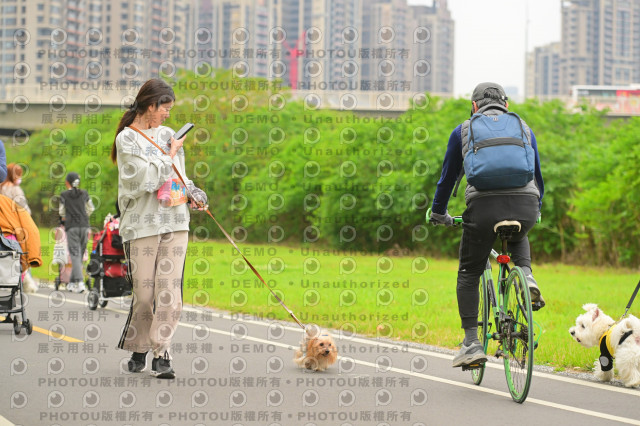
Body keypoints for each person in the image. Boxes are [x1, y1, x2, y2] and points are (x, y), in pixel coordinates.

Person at [430, 82, 545, 368]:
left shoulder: (463, 131)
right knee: (519, 230)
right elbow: (537, 176)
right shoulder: (524, 127)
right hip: (526, 205)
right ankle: (527, 276)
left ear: (474, 107)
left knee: (469, 272)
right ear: (506, 105)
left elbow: (447, 178)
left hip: (483, 210)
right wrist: (537, 209)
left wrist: (439, 213)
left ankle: (471, 343)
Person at [112, 78, 207, 379]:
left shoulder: (168, 135)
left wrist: (194, 193)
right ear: (150, 105)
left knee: (169, 292)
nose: (168, 114)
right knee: (144, 295)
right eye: (165, 108)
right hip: (141, 225)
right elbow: (142, 181)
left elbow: (179, 175)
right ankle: (139, 346)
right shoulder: (126, 139)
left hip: (175, 221)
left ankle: (161, 352)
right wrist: (169, 155)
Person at [59, 172, 94, 293]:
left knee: (75, 255)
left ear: (67, 182)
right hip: (84, 226)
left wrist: (67, 216)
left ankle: (79, 282)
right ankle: (72, 283)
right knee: (79, 255)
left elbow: (61, 212)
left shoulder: (64, 195)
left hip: (71, 227)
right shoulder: (84, 193)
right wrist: (84, 215)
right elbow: (91, 208)